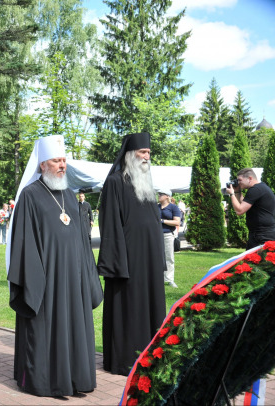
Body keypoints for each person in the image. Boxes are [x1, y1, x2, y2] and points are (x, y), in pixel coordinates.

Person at [7, 135, 101, 396]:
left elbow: (81, 239)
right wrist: (36, 281)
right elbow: (25, 242)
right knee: (46, 328)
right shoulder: (30, 195)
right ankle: (47, 381)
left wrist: (86, 275)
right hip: (46, 280)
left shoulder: (71, 196)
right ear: (42, 165)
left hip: (73, 278)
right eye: (56, 161)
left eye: (64, 160)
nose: (62, 165)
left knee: (73, 328)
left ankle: (74, 379)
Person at [97, 132, 166, 376]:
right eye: (143, 153)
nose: (147, 157)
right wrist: (117, 261)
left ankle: (151, 355)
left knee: (150, 305)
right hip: (128, 259)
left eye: (149, 153)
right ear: (130, 155)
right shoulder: (115, 182)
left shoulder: (147, 184)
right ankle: (124, 359)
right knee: (129, 308)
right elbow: (110, 224)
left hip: (149, 259)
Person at [226, 168, 275, 249]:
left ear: (250, 179)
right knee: (250, 260)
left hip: (263, 235)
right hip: (260, 233)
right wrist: (237, 192)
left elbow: (239, 211)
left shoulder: (256, 189)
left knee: (259, 260)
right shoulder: (260, 187)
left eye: (240, 180)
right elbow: (243, 205)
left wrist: (232, 194)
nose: (238, 183)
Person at [158, 189, 181, 288]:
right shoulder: (156, 207)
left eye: (160, 194)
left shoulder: (173, 207)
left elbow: (177, 222)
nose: (158, 196)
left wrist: (162, 221)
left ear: (167, 196)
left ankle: (169, 279)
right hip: (156, 234)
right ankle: (157, 278)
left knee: (169, 257)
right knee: (156, 257)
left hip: (168, 234)